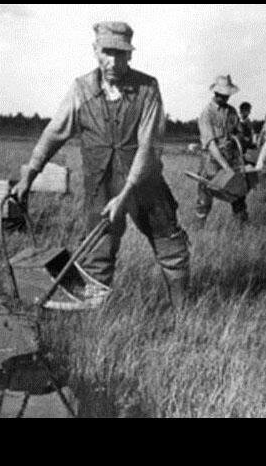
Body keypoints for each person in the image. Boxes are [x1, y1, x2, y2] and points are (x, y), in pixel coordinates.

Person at [11, 21, 190, 311]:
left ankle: (183, 317)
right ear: (95, 51)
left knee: (172, 248)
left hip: (146, 187)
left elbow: (149, 145)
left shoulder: (148, 89)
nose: (114, 61)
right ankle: (95, 317)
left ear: (130, 56)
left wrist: (127, 192)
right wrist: (29, 176)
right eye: (107, 52)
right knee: (97, 255)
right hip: (101, 188)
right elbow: (54, 133)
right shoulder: (81, 89)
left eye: (121, 54)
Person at [195, 75, 249, 227]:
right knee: (205, 199)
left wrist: (237, 138)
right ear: (216, 93)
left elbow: (239, 133)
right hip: (211, 162)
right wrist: (225, 167)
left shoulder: (231, 112)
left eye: (228, 95)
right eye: (223, 95)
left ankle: (243, 231)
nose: (226, 98)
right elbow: (211, 145)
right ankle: (199, 231)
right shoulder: (207, 114)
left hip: (231, 158)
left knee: (238, 195)